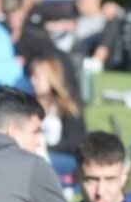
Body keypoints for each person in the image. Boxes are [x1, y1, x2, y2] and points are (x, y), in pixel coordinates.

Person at [26, 50, 86, 179]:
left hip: (62, 157)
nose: (32, 81)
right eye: (31, 76)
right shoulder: (29, 105)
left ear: (51, 78)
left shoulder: (68, 105)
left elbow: (74, 143)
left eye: (37, 77)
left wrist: (46, 147)